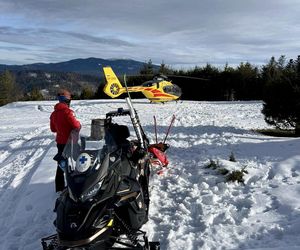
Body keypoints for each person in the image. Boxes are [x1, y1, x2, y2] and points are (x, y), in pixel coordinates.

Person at [50, 89, 81, 193]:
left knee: (61, 165)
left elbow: (53, 129)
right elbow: (76, 126)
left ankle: (59, 188)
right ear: (67, 100)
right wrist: (79, 125)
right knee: (77, 162)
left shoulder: (53, 114)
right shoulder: (68, 112)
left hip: (60, 142)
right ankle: (78, 183)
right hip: (71, 142)